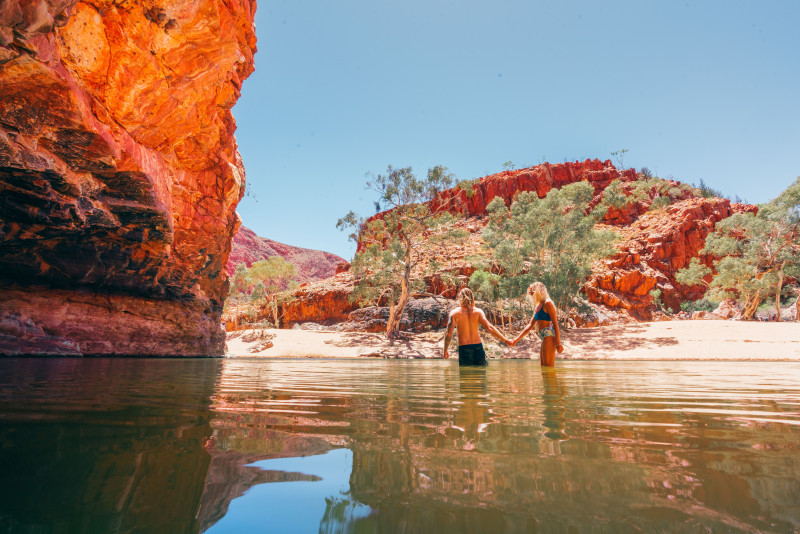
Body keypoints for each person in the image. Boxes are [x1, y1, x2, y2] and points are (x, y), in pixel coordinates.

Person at [444, 288, 512, 365]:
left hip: (464, 348)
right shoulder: (478, 312)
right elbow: (490, 327)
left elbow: (448, 333)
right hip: (478, 347)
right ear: (472, 298)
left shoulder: (454, 313)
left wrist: (445, 350)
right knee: (481, 375)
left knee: (465, 376)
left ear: (460, 298)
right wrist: (506, 340)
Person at [511, 282, 564, 366]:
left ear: (537, 291)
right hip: (543, 336)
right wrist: (516, 340)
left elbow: (555, 324)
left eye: (531, 291)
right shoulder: (538, 306)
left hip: (549, 335)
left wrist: (558, 344)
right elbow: (529, 326)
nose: (530, 293)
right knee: (543, 368)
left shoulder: (548, 303)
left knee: (548, 367)